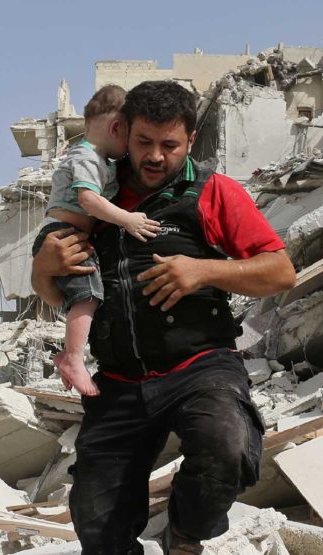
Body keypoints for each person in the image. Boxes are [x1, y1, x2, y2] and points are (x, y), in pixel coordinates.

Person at [31, 80, 295, 554]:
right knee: (96, 520)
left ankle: (186, 535)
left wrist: (203, 271)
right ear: (124, 133)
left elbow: (281, 271)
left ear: (191, 141)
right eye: (143, 143)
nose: (155, 157)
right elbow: (53, 293)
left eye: (169, 145)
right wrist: (42, 267)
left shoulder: (215, 193)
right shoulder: (94, 195)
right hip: (118, 380)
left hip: (200, 368)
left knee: (227, 447)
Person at [31, 84, 161, 397]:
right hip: (62, 235)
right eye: (131, 138)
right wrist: (128, 219)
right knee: (88, 297)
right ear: (117, 128)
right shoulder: (86, 158)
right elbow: (88, 200)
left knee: (85, 297)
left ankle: (69, 354)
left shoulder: (101, 160)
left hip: (71, 236)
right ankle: (73, 358)